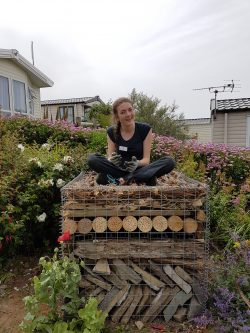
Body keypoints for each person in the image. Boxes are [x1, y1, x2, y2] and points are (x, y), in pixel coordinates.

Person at [87, 97, 175, 185]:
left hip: (139, 170)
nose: (128, 114)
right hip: (118, 170)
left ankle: (125, 179)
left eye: (130, 110)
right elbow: (110, 157)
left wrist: (137, 163)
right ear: (117, 116)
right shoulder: (111, 131)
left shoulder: (145, 129)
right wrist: (112, 160)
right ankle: (138, 179)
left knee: (169, 162)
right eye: (123, 112)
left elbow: (146, 160)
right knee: (92, 159)